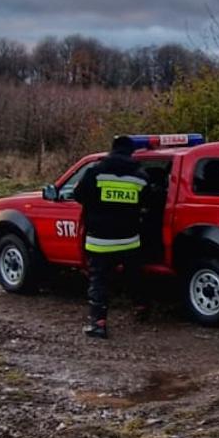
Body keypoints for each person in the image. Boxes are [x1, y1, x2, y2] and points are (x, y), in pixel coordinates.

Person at [73, 135, 153, 339]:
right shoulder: (140, 176)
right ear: (131, 152)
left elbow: (78, 195)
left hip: (100, 240)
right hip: (129, 239)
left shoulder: (95, 172)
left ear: (112, 149)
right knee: (133, 276)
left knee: (99, 281)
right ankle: (142, 307)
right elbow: (149, 202)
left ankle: (98, 324)